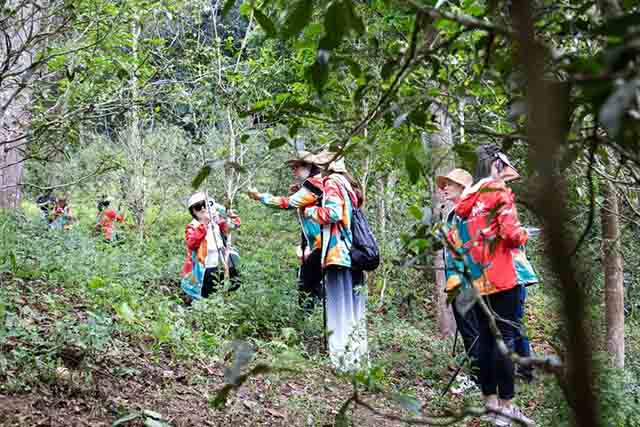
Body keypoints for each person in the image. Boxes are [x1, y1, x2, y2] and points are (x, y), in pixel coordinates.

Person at [446, 144, 533, 426]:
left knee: (485, 340)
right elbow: (510, 234)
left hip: (478, 278)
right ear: (496, 165)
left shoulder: (467, 201)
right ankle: (507, 408)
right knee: (505, 339)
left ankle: (490, 403)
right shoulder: (497, 191)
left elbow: (459, 240)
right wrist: (523, 235)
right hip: (503, 276)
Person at [302, 151, 368, 372]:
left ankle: (340, 361)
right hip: (355, 255)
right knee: (353, 309)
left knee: (338, 308)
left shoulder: (331, 182)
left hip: (337, 253)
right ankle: (357, 360)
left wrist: (311, 211)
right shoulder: (349, 186)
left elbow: (332, 213)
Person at [248, 151, 324, 311]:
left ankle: (309, 321)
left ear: (308, 166)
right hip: (317, 243)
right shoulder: (313, 184)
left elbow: (287, 203)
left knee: (308, 284)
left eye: (296, 167)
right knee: (313, 283)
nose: (293, 171)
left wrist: (261, 196)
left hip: (322, 244)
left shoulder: (315, 184)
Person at [436, 168, 480, 382]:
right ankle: (479, 378)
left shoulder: (469, 212)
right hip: (456, 281)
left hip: (468, 281)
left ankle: (479, 381)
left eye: (449, 184)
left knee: (474, 332)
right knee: (468, 331)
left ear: (463, 187)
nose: (444, 188)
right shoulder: (454, 213)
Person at [180, 192, 241, 300]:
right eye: (198, 207)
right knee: (205, 291)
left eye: (205, 204)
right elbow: (192, 244)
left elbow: (234, 225)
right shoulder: (193, 226)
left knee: (233, 282)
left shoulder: (217, 222)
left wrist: (229, 214)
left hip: (221, 261)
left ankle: (225, 303)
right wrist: (204, 224)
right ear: (193, 211)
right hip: (204, 266)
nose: (203, 209)